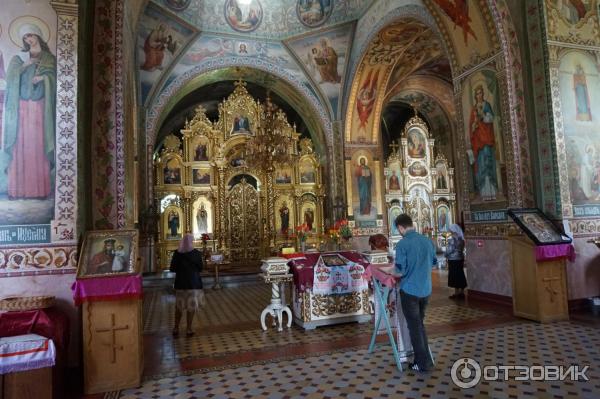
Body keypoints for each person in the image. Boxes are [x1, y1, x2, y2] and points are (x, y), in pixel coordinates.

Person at [3, 23, 56, 199]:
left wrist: (44, 78)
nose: (29, 39)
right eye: (26, 37)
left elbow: (56, 79)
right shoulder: (19, 57)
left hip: (40, 107)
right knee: (21, 145)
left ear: (38, 36)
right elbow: (10, 78)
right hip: (22, 108)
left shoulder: (49, 58)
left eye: (31, 35)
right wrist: (25, 65)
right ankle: (17, 190)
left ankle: (39, 191)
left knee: (38, 145)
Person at [394, 214, 436, 372]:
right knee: (420, 325)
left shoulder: (402, 244)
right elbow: (433, 264)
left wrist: (391, 271)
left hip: (409, 291)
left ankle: (421, 363)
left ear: (400, 228)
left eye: (398, 229)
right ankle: (426, 360)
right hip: (425, 290)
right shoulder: (427, 241)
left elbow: (399, 271)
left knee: (415, 327)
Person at [170, 234, 205, 337]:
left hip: (181, 283)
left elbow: (172, 268)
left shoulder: (177, 253)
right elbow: (200, 268)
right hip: (193, 283)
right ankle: (189, 329)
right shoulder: (196, 253)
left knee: (179, 307)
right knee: (191, 307)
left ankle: (176, 327)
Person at [468, 85, 497, 201]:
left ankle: (492, 191)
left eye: (480, 93)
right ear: (475, 96)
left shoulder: (486, 105)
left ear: (483, 94)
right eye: (477, 94)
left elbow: (490, 119)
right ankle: (483, 192)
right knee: (480, 164)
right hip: (478, 141)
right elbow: (471, 126)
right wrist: (474, 125)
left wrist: (483, 115)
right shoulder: (473, 109)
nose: (479, 95)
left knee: (487, 161)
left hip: (486, 139)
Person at [445, 224, 467, 299]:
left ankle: (457, 293)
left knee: (454, 276)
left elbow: (450, 250)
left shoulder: (453, 239)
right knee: (460, 274)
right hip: (460, 258)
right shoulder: (461, 238)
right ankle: (461, 292)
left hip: (453, 259)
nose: (450, 232)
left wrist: (445, 254)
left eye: (450, 230)